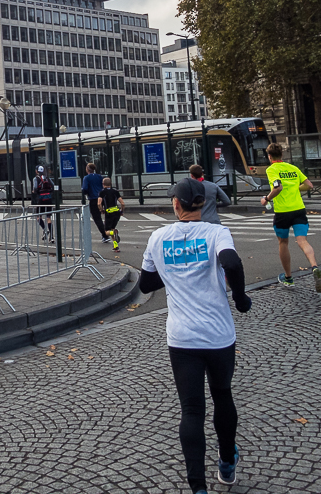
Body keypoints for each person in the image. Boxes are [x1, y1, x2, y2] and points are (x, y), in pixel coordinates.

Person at [140, 178, 252, 494]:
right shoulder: (217, 233)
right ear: (202, 203)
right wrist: (241, 300)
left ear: (176, 205)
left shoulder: (158, 237)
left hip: (182, 339)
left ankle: (198, 487)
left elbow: (146, 285)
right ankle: (228, 463)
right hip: (218, 335)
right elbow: (230, 261)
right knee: (222, 395)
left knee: (191, 410)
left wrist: (176, 273)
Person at [260, 143, 321, 293]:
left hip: (283, 211)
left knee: (283, 242)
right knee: (303, 241)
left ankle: (288, 277)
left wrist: (267, 198)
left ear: (269, 157)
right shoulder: (293, 168)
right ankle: (314, 267)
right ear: (282, 155)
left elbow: (278, 187)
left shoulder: (272, 169)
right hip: (299, 209)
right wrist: (295, 188)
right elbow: (309, 185)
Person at [97, 177, 125, 251]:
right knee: (111, 228)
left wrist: (101, 210)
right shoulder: (115, 192)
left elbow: (99, 203)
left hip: (109, 213)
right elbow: (122, 203)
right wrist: (121, 211)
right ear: (111, 184)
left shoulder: (102, 192)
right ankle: (116, 246)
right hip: (117, 213)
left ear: (103, 184)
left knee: (106, 232)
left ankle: (114, 232)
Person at [81, 163, 107, 241]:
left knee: (97, 218)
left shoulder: (86, 178)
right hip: (102, 198)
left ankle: (105, 235)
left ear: (87, 169)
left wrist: (85, 192)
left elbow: (85, 188)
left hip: (93, 199)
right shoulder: (99, 177)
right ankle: (108, 232)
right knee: (106, 216)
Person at [32, 166, 54, 240]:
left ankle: (45, 230)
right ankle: (52, 236)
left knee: (38, 217)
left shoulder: (36, 178)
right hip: (49, 199)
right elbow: (53, 186)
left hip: (41, 199)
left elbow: (35, 188)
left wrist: (35, 192)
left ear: (36, 171)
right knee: (48, 217)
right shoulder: (47, 178)